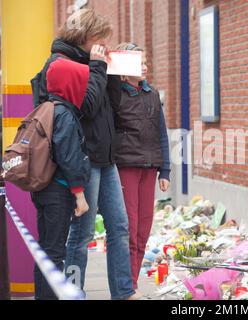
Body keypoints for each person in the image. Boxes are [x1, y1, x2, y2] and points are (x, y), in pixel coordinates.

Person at [32, 9, 137, 300]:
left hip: (106, 158)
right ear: (86, 37)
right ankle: (74, 292)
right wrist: (98, 68)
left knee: (119, 226)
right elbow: (87, 107)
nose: (105, 43)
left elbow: (111, 105)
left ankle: (124, 292)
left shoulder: (94, 63)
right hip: (84, 159)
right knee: (82, 234)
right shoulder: (62, 65)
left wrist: (112, 73)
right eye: (101, 38)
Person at [112, 43, 171, 294]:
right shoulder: (115, 95)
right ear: (124, 70)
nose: (145, 66)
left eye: (145, 62)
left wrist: (165, 170)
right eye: (138, 63)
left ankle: (131, 285)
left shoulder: (152, 94)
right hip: (126, 167)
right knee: (129, 229)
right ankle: (128, 288)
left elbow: (162, 133)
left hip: (150, 168)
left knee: (144, 230)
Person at [32, 58, 91, 300]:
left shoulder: (46, 107)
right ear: (71, 84)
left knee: (46, 251)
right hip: (59, 190)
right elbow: (68, 156)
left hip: (43, 189)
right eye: (81, 82)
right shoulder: (65, 114)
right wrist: (79, 195)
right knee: (55, 253)